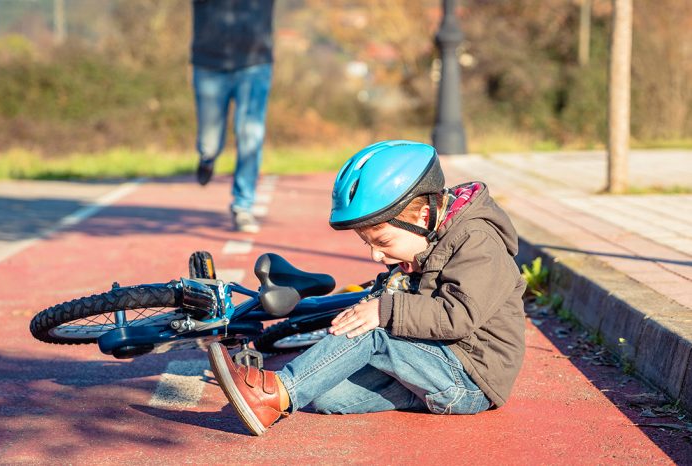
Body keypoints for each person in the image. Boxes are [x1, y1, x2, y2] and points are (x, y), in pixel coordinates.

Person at [207, 140, 527, 436]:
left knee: (374, 330)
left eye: (383, 242)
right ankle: (295, 390)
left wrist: (383, 309)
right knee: (323, 394)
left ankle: (273, 396)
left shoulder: (478, 242)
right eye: (368, 243)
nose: (375, 255)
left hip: (470, 376)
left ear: (425, 216)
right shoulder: (424, 240)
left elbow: (457, 316)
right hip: (435, 362)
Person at [190, 0, 275, 233]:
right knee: (209, 141)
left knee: (250, 135)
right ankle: (207, 158)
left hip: (254, 63)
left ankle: (243, 206)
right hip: (208, 63)